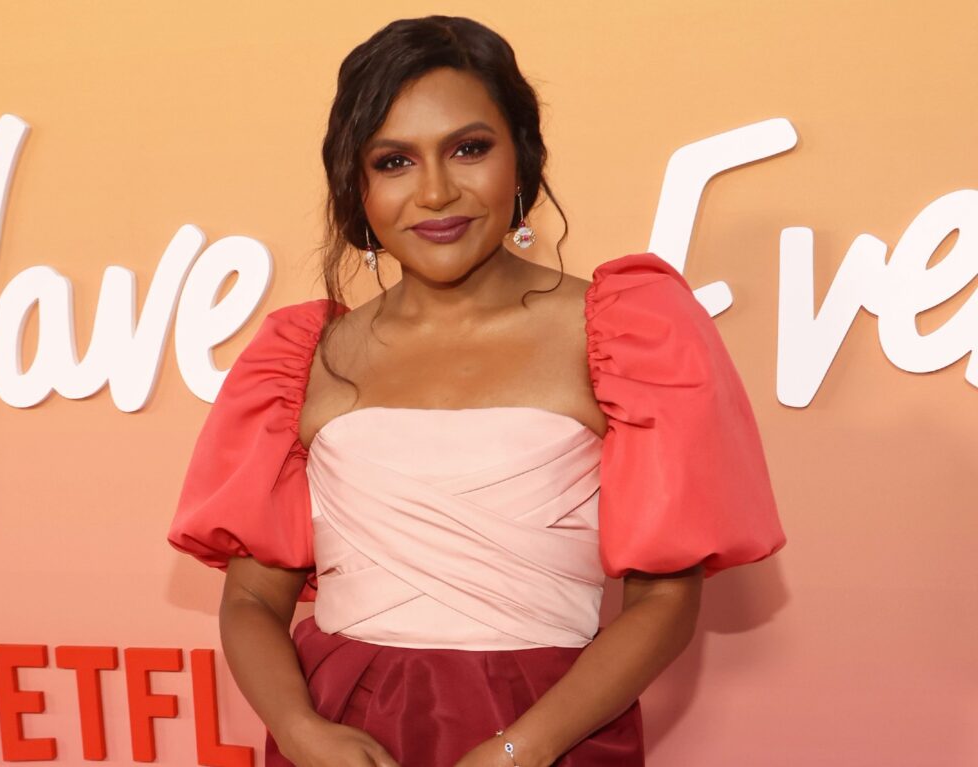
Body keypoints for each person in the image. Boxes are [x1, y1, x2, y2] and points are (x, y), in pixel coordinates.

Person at [167, 14, 786, 767]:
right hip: (341, 727)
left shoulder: (628, 333)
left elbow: (664, 602)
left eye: (468, 149)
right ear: (354, 185)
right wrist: (300, 730)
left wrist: (527, 746)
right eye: (394, 161)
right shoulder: (302, 358)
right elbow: (251, 600)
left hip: (553, 726)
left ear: (522, 156)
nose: (435, 191)